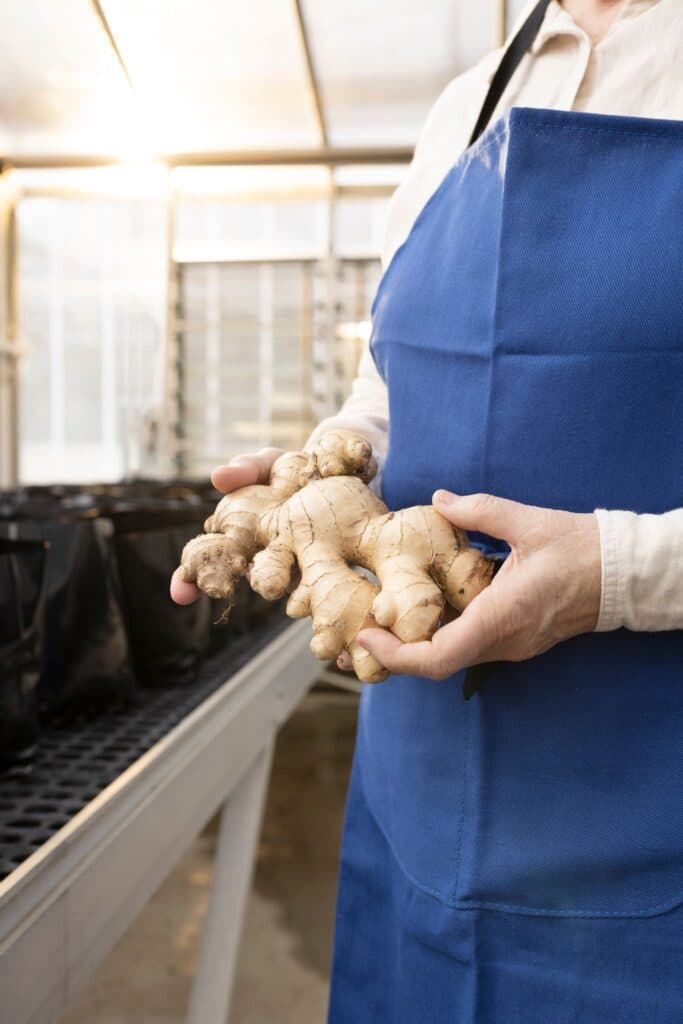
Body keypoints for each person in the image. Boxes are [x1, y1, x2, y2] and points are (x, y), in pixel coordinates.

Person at [172, 1, 683, 1019]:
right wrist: (331, 470)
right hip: (421, 777)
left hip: (646, 789)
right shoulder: (464, 105)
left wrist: (612, 573)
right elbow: (388, 387)